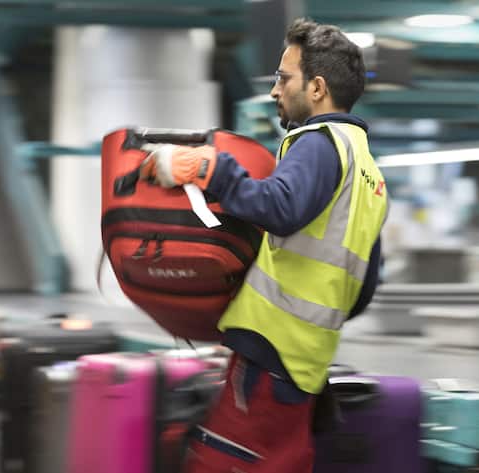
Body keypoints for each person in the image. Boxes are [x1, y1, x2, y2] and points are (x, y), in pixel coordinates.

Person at [142, 18, 387, 473]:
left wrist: (203, 167)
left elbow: (280, 206)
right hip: (307, 364)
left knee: (220, 464)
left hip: (269, 353)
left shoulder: (319, 143)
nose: (275, 90)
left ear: (316, 88)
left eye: (283, 77)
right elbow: (364, 288)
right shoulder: (370, 174)